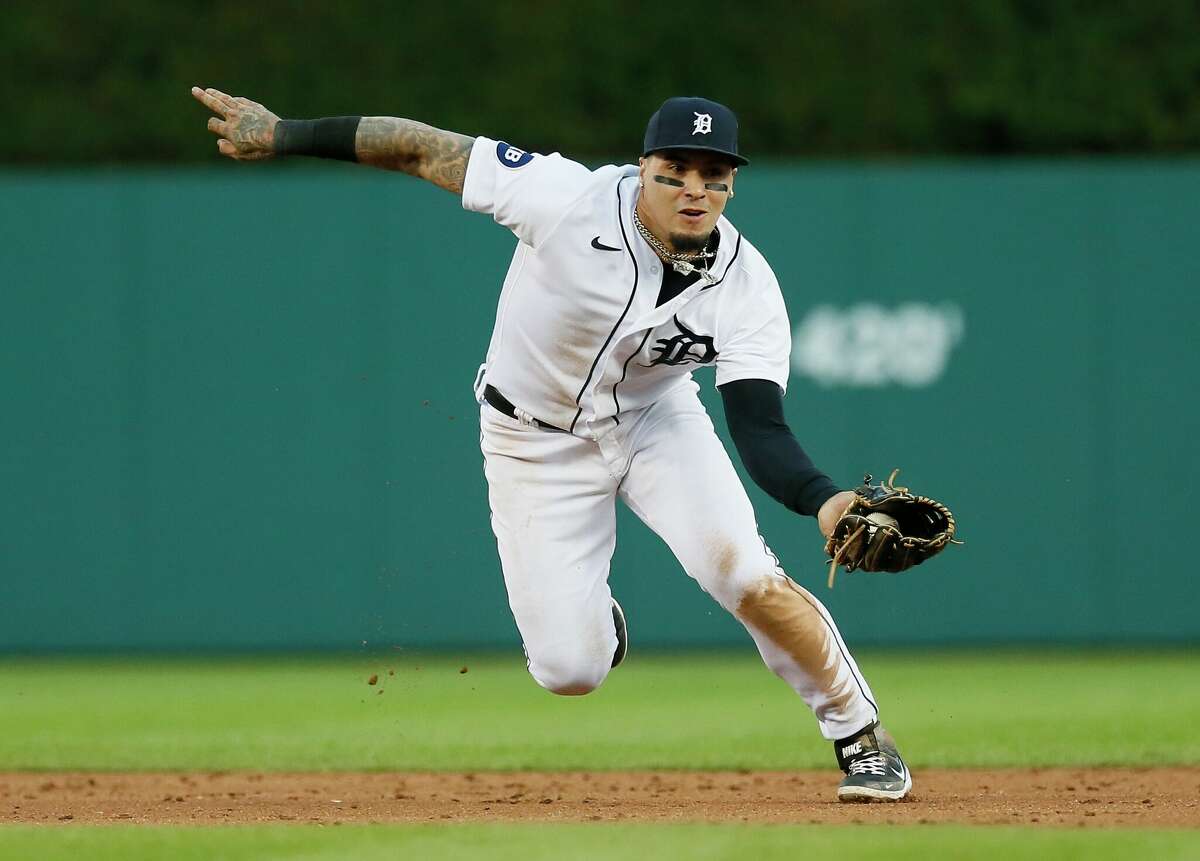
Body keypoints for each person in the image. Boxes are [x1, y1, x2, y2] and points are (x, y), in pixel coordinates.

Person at [191, 86, 911, 801]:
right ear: (642, 168)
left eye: (713, 175)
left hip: (657, 421)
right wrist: (284, 133)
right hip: (529, 439)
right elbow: (418, 146)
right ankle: (593, 623)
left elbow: (760, 428)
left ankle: (861, 736)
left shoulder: (747, 287)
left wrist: (827, 501)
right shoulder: (564, 196)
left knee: (745, 575)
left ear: (730, 184)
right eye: (676, 171)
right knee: (570, 669)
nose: (694, 190)